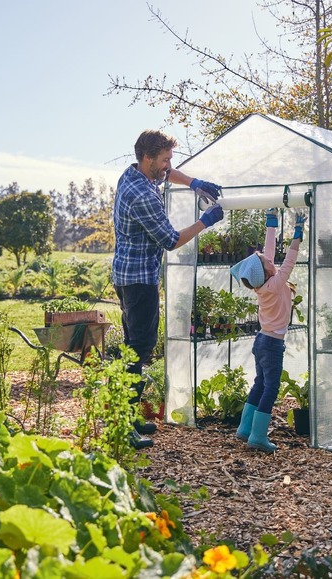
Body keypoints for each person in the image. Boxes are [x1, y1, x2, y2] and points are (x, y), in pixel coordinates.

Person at [112, 129, 224, 449]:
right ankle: (122, 423)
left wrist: (194, 183)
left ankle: (128, 415)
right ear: (148, 158)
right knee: (139, 350)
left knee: (135, 345)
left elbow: (167, 175)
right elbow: (171, 241)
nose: (168, 165)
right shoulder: (143, 195)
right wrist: (206, 220)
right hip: (139, 281)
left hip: (127, 275)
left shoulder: (135, 175)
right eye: (164, 160)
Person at [230, 208, 306, 452]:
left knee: (260, 383)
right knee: (270, 388)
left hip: (261, 341)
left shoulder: (264, 283)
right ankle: (258, 436)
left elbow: (269, 253)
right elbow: (290, 260)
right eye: (264, 260)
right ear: (267, 271)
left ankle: (244, 429)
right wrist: (298, 232)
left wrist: (271, 223)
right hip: (272, 345)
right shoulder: (275, 283)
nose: (267, 257)